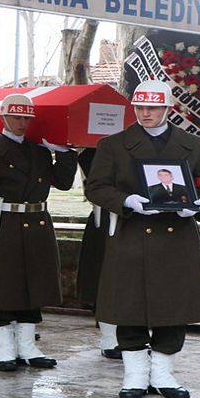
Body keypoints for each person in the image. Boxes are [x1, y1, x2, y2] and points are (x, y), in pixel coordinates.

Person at [85, 79, 200, 398]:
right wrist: (126, 201)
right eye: (140, 108)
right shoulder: (113, 145)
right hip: (132, 235)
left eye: (153, 108)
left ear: (168, 109)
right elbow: (95, 187)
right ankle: (133, 375)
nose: (145, 114)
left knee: (173, 309)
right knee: (128, 307)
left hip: (177, 239)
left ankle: (162, 373)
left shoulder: (195, 145)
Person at [0, 93, 78, 372]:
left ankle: (27, 346)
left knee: (34, 288)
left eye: (26, 118)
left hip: (37, 224)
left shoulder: (39, 151)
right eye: (16, 117)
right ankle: (5, 347)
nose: (21, 123)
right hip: (4, 226)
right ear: (3, 117)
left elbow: (64, 183)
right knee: (2, 288)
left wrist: (64, 154)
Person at [75, 148, 121, 360]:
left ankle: (132, 335)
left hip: (140, 220)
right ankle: (109, 338)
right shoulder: (92, 153)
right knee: (104, 278)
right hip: (105, 220)